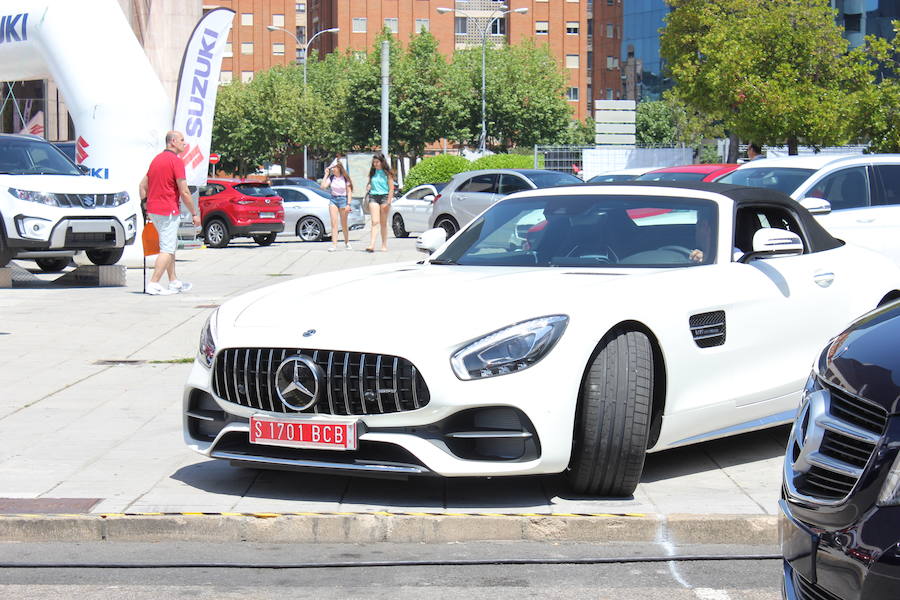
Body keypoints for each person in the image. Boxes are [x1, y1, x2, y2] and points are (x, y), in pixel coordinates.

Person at [138, 130, 201, 295]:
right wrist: (194, 213)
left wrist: (145, 205)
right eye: (181, 140)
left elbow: (142, 186)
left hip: (154, 210)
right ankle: (154, 283)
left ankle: (174, 282)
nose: (184, 143)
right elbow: (184, 191)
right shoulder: (176, 161)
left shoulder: (156, 160)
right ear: (172, 141)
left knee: (169, 245)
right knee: (167, 249)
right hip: (168, 210)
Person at [364, 153, 395, 252]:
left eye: (377, 162)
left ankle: (384, 245)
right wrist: (368, 186)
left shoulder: (388, 173)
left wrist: (389, 202)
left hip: (385, 197)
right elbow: (369, 184)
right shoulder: (372, 172)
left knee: (383, 223)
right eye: (374, 162)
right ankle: (372, 245)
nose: (375, 164)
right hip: (373, 196)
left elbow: (391, 188)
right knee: (374, 221)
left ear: (382, 162)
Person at [321, 161, 353, 251]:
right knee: (334, 223)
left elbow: (349, 192)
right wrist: (326, 175)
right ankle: (334, 244)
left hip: (343, 200)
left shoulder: (345, 179)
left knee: (344, 223)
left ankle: (347, 242)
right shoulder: (331, 178)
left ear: (339, 168)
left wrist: (348, 204)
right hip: (333, 200)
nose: (333, 170)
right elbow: (323, 187)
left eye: (334, 168)